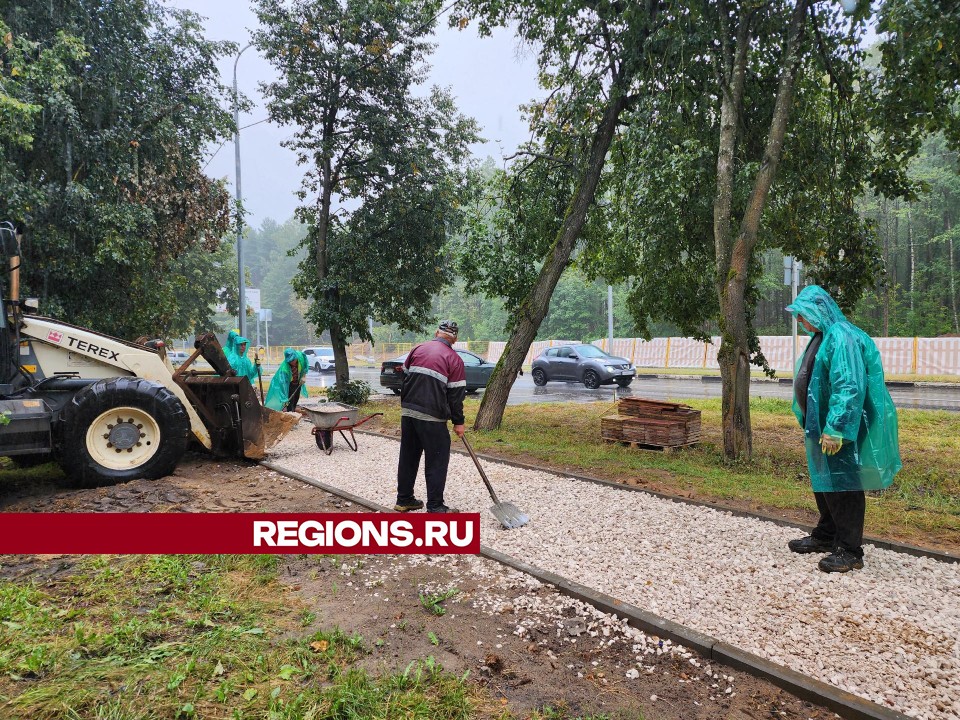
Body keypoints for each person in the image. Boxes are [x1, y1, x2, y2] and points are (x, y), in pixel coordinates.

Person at [786, 285, 901, 573]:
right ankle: (826, 535)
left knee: (844, 485)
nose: (799, 320)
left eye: (803, 314)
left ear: (819, 310)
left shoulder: (842, 336)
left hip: (838, 427)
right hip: (821, 425)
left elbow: (849, 385)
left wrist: (837, 426)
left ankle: (850, 550)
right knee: (825, 482)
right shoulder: (822, 336)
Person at [394, 320, 466, 513]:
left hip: (408, 413)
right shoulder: (454, 359)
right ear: (455, 339)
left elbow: (405, 377)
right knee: (437, 459)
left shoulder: (418, 349)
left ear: (436, 333)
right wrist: (458, 422)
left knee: (408, 456)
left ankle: (404, 499)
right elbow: (456, 395)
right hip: (433, 417)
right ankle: (435, 506)